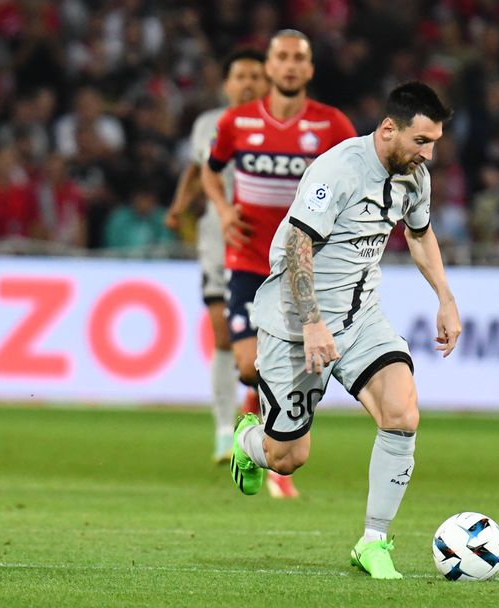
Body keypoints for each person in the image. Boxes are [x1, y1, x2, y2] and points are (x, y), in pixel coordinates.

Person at [229, 81, 460, 580]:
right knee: (287, 457)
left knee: (402, 412)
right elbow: (297, 246)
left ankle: (373, 542)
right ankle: (248, 441)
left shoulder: (414, 177)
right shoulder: (337, 170)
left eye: (434, 142)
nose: (429, 154)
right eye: (421, 141)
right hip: (296, 324)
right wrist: (312, 323)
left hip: (360, 320)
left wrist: (445, 297)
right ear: (389, 130)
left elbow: (420, 235)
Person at [201, 30, 357, 498]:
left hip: (306, 266)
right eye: (282, 57)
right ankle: (255, 432)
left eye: (298, 58)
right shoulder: (236, 122)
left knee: (300, 364)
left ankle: (272, 453)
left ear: (309, 69)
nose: (289, 65)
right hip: (251, 259)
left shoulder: (332, 125)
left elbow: (359, 176)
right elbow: (211, 170)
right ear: (269, 67)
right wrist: (224, 210)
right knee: (249, 366)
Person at [164, 49, 268, 465]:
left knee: (266, 342)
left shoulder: (277, 127)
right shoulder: (209, 124)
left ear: (267, 82)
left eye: (255, 76)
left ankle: (262, 423)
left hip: (266, 242)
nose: (247, 84)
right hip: (217, 238)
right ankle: (225, 431)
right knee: (223, 334)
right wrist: (178, 207)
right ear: (226, 84)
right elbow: (197, 170)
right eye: (240, 76)